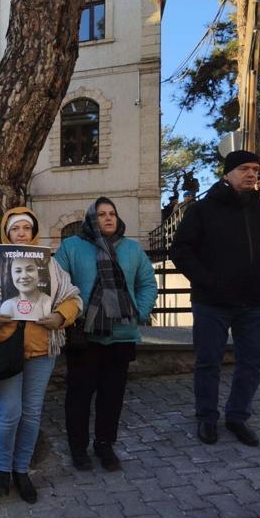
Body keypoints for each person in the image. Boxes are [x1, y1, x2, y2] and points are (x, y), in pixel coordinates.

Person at [171, 150, 260, 447]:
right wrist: (209, 282)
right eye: (244, 169)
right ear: (227, 173)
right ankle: (207, 418)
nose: (251, 174)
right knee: (208, 362)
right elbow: (181, 251)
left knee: (251, 364)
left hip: (257, 305)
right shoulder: (202, 210)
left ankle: (237, 417)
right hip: (212, 304)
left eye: (255, 170)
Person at [0, 207, 82, 503]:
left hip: (42, 351)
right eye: (15, 229)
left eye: (26, 228)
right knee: (8, 413)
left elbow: (72, 297)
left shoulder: (50, 265)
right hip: (5, 350)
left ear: (33, 232)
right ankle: (2, 470)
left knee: (31, 413)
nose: (21, 234)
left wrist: (61, 317)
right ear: (7, 232)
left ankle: (21, 470)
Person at [55, 197, 158, 471]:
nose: (108, 218)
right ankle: (78, 449)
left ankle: (104, 445)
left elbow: (147, 283)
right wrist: (74, 313)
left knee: (112, 396)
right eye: (101, 214)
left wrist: (140, 311)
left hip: (122, 334)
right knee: (79, 396)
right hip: (84, 335)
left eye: (112, 213)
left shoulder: (132, 249)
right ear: (91, 219)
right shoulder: (71, 247)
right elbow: (58, 284)